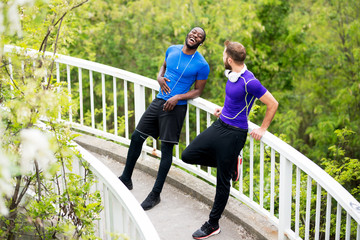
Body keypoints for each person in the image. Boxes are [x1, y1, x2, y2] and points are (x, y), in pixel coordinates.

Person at [181, 40, 278, 239]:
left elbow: (273, 103)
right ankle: (231, 162)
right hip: (221, 125)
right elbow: (236, 101)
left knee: (223, 181)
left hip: (235, 134)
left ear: (230, 59)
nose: (222, 57)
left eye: (224, 54)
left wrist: (262, 128)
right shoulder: (233, 76)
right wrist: (224, 110)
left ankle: (213, 224)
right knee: (188, 155)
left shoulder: (250, 81)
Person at [118, 27, 210, 211]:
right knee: (137, 137)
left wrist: (178, 97)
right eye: (193, 32)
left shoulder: (202, 64)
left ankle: (155, 194)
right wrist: (159, 77)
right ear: (188, 34)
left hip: (175, 108)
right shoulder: (172, 49)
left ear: (201, 42)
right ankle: (126, 178)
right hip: (159, 101)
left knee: (166, 150)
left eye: (199, 36)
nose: (195, 36)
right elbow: (164, 66)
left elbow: (198, 90)